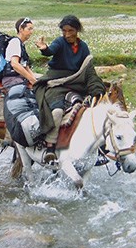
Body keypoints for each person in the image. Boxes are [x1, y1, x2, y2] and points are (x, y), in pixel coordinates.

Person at [33, 15, 105, 158]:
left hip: (75, 85)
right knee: (57, 112)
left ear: (77, 30)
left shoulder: (83, 47)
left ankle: (98, 148)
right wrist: (44, 48)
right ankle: (50, 147)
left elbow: (88, 70)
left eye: (70, 31)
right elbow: (51, 50)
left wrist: (96, 91)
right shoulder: (60, 42)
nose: (67, 34)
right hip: (56, 83)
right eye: (64, 31)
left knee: (90, 110)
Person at [1, 17, 38, 89]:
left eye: (32, 29)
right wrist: (31, 80)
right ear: (21, 29)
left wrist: (35, 82)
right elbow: (15, 64)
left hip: (19, 77)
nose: (31, 32)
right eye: (29, 29)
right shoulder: (15, 42)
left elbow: (25, 67)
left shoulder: (21, 44)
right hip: (12, 78)